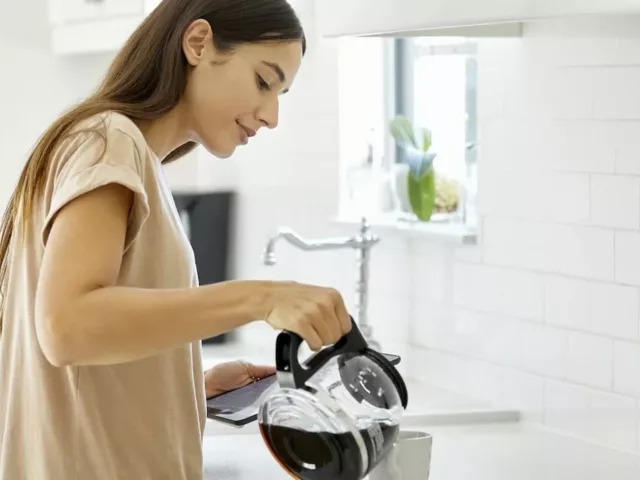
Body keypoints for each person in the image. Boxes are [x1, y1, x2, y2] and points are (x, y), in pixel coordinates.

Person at [0, 0, 352, 479]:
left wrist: (186, 384)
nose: (271, 116)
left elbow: (77, 363)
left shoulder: (133, 158)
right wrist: (261, 297)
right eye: (264, 81)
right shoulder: (110, 141)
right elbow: (67, 327)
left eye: (281, 94)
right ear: (198, 43)